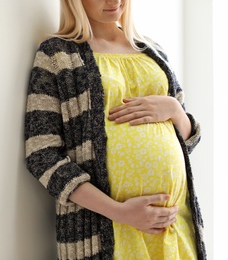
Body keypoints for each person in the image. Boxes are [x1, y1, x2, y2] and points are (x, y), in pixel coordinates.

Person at [24, 0, 207, 259]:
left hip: (174, 226)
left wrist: (175, 111)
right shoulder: (57, 55)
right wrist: (119, 212)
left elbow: (186, 143)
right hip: (106, 230)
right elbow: (41, 154)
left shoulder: (153, 52)